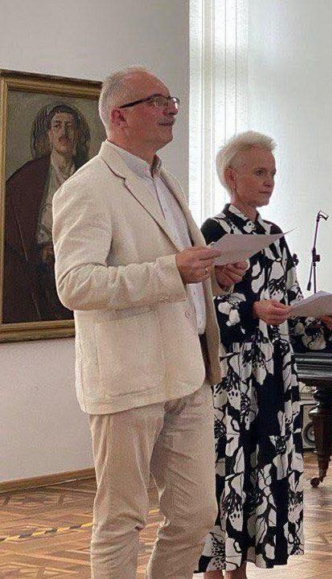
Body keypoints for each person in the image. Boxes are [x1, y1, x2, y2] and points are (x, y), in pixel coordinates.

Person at [52, 66, 247, 578]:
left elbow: (176, 272)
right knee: (121, 518)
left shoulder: (164, 179)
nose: (172, 109)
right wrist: (171, 271)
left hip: (187, 372)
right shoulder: (87, 188)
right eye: (157, 101)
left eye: (171, 99)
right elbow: (74, 284)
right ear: (119, 116)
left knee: (196, 514)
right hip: (127, 378)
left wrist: (213, 278)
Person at [196, 131, 332, 577]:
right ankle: (220, 569)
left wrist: (322, 321)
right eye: (260, 172)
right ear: (231, 177)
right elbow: (201, 308)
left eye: (273, 174)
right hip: (232, 376)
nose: (269, 182)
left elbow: (291, 310)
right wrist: (252, 310)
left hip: (275, 374)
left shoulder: (274, 236)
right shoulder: (212, 231)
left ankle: (241, 567)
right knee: (230, 469)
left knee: (264, 468)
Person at [3, 103, 92, 323]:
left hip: (83, 267)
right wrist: (41, 252)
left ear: (77, 134)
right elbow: (13, 233)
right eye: (57, 126)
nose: (64, 133)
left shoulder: (90, 175)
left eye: (70, 126)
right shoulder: (28, 177)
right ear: (49, 134)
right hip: (41, 270)